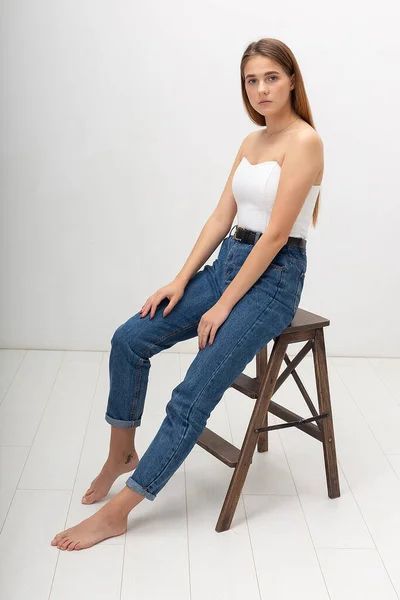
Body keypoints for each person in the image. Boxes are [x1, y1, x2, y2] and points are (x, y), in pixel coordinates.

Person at [51, 37, 323, 551]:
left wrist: (222, 306)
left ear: (291, 80)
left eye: (270, 77)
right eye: (251, 80)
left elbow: (274, 237)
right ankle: (121, 453)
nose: (261, 89)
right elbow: (223, 217)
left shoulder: (305, 142)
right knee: (129, 338)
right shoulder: (251, 141)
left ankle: (120, 511)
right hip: (229, 265)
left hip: (273, 279)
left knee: (191, 392)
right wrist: (181, 280)